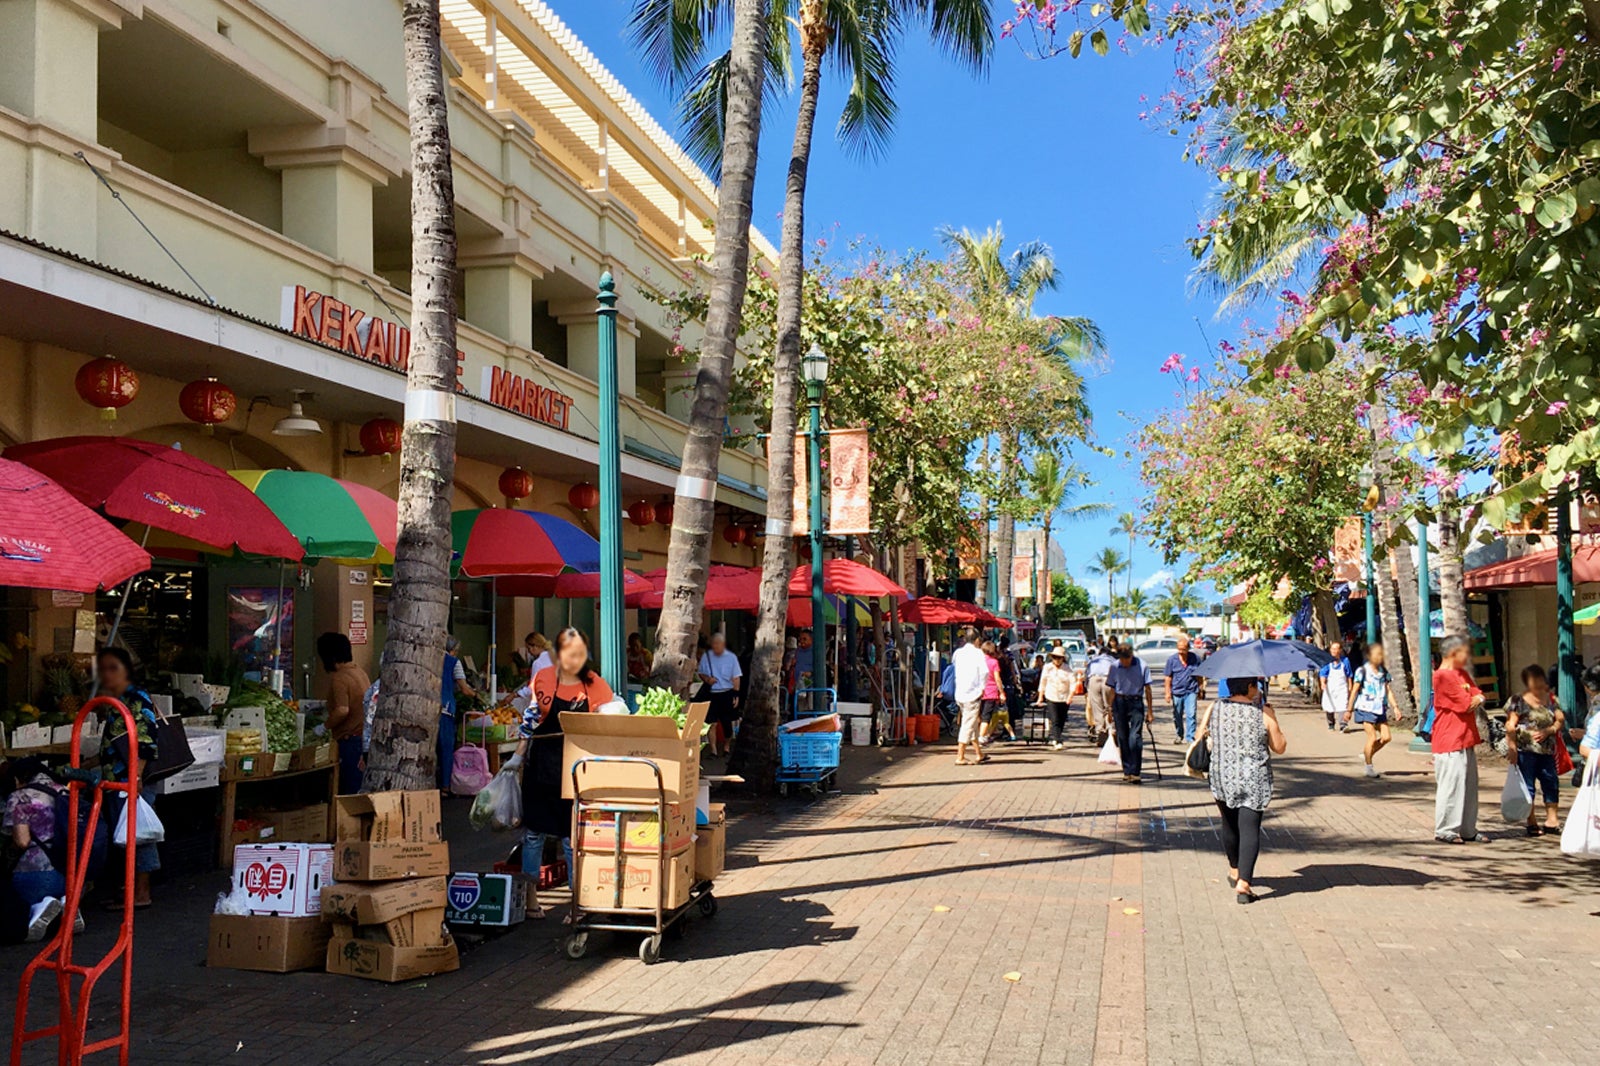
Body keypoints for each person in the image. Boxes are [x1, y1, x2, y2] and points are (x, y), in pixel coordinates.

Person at [505, 628, 613, 916]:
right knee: (533, 834)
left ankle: (578, 904)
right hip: (540, 767)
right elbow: (530, 720)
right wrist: (517, 757)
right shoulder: (543, 678)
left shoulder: (594, 684)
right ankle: (530, 899)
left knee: (570, 837)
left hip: (575, 770)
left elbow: (606, 722)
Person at [1201, 677, 1287, 904]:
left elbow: (1200, 736)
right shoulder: (1263, 713)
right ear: (1249, 687)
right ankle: (1244, 885)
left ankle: (1234, 870)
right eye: (1256, 685)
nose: (1258, 690)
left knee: (1229, 824)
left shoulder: (1215, 706)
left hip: (1222, 776)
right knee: (1249, 829)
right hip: (1253, 780)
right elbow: (1279, 747)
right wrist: (1273, 717)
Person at [95, 647, 159, 908]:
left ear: (126, 671)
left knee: (137, 834)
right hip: (114, 778)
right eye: (103, 669)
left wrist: (137, 777)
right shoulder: (115, 701)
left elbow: (144, 741)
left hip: (131, 778)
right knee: (125, 835)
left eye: (113, 668)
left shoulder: (136, 699)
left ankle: (141, 893)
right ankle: (129, 890)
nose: (107, 674)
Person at [3, 757, 75, 941]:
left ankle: (38, 908)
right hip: (70, 873)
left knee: (16, 916)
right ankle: (66, 907)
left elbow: (22, 841)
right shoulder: (65, 790)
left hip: (37, 874)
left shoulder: (21, 796)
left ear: (19, 778)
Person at [1432, 636, 1487, 844]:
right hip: (1449, 740)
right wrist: (1476, 699)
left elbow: (1479, 694)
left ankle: (1467, 828)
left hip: (1467, 737)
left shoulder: (1462, 673)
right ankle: (1446, 829)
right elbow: (1466, 704)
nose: (1468, 656)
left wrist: (1477, 698)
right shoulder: (1442, 677)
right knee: (1451, 786)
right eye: (1465, 652)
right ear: (1453, 653)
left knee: (1469, 786)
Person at [1505, 664, 1566, 837]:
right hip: (1526, 750)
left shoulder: (1551, 699)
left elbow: (1559, 720)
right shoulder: (1518, 700)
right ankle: (1531, 821)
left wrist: (1550, 730)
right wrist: (1512, 748)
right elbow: (1510, 725)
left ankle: (1552, 820)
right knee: (1528, 786)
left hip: (1547, 750)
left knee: (1551, 783)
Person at [317, 632, 372, 795]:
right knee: (360, 789)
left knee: (349, 791)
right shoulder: (359, 672)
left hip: (350, 741)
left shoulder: (339, 678)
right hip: (363, 737)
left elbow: (342, 710)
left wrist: (324, 726)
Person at [1106, 646, 1155, 783]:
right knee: (1122, 737)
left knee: (1135, 737)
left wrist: (1150, 711)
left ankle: (1135, 771)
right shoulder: (1115, 667)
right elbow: (1112, 689)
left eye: (1126, 659)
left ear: (1131, 656)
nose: (1124, 662)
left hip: (1136, 702)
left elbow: (1148, 689)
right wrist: (1109, 709)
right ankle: (1127, 771)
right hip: (1119, 702)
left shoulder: (1142, 666)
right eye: (1122, 659)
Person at [1346, 642, 1395, 777]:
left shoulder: (1383, 672)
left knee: (1386, 737)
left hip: (1379, 708)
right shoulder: (1362, 671)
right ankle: (1369, 767)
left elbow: (1388, 690)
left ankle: (1367, 753)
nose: (1380, 657)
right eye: (1377, 654)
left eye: (1381, 654)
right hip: (1365, 707)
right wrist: (1349, 710)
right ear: (1369, 655)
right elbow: (1355, 690)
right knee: (1372, 737)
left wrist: (1395, 707)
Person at [697, 632, 743, 757]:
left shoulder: (731, 658)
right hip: (711, 693)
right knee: (711, 723)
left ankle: (726, 746)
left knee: (727, 723)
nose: (715, 646)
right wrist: (707, 679)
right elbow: (701, 673)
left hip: (726, 693)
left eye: (718, 644)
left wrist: (736, 694)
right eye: (714, 644)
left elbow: (736, 677)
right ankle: (713, 750)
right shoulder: (706, 656)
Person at [439, 636, 475, 795]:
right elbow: (464, 689)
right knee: (446, 748)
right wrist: (476, 695)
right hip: (445, 709)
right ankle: (445, 786)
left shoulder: (431, 658)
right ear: (453, 650)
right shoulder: (454, 663)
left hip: (426, 708)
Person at [952, 627, 988, 765]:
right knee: (968, 724)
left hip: (960, 692)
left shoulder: (958, 653)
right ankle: (960, 755)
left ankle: (979, 753)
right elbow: (984, 673)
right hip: (972, 693)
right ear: (977, 640)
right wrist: (982, 688)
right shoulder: (978, 654)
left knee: (971, 723)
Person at [1164, 636, 1205, 743]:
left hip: (1191, 690)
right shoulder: (1172, 660)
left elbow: (1199, 675)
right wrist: (1167, 693)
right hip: (1177, 691)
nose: (1181, 651)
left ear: (1188, 648)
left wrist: (1201, 689)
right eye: (1179, 649)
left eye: (1183, 649)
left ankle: (1190, 736)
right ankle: (1179, 734)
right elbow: (1168, 677)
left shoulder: (1195, 659)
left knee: (1191, 714)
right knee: (1177, 714)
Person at [1035, 647, 1075, 750]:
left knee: (1061, 720)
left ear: (1063, 659)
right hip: (1051, 696)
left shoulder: (1068, 669)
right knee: (1055, 719)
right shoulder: (1047, 668)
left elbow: (1072, 683)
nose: (1057, 660)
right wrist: (1040, 697)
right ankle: (1058, 740)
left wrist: (1071, 696)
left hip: (1064, 697)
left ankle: (1057, 736)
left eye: (1059, 658)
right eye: (1055, 657)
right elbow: (1042, 682)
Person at [1318, 641, 1355, 732]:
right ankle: (1331, 724)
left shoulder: (1345, 661)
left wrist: (1350, 687)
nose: (1334, 651)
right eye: (1332, 649)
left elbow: (1349, 675)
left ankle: (1343, 724)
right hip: (1330, 688)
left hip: (1342, 688)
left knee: (1343, 705)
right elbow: (1323, 674)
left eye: (1336, 649)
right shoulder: (1327, 661)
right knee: (1329, 706)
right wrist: (1323, 683)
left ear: (1340, 650)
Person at [1086, 642, 1117, 743]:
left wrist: (1087, 689)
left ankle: (1100, 731)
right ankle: (1110, 729)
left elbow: (1086, 675)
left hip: (1094, 679)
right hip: (1107, 679)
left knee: (1097, 707)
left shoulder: (1093, 660)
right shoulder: (1112, 660)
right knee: (1109, 706)